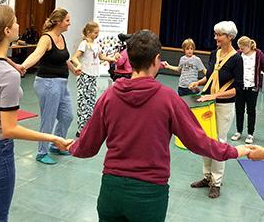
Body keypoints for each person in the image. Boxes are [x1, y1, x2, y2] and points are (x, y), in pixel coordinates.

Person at [68, 30, 249, 222]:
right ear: (156, 59)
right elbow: (198, 142)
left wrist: (70, 145)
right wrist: (237, 151)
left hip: (111, 191)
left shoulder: (109, 96)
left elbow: (87, 147)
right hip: (149, 194)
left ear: (129, 58)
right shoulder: (168, 99)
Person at [0, 5, 72, 222]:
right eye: (14, 21)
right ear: (6, 31)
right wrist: (52, 137)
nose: (18, 24)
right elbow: (9, 128)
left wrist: (11, 64)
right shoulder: (7, 75)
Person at [189, 21, 243, 198]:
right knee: (205, 140)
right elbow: (210, 75)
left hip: (224, 106)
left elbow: (238, 88)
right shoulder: (214, 54)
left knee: (219, 142)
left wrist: (214, 96)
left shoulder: (237, 59)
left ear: (230, 37)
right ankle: (207, 177)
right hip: (207, 104)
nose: (215, 38)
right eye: (215, 34)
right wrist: (198, 82)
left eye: (219, 35)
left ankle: (217, 182)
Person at [21, 8, 80, 164]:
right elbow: (36, 54)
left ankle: (56, 144)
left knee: (67, 116)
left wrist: (74, 70)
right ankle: (42, 152)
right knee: (48, 119)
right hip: (47, 83)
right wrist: (23, 67)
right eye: (67, 20)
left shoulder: (61, 37)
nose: (70, 23)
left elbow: (64, 58)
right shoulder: (46, 39)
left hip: (62, 83)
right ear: (58, 22)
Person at [71, 21, 117, 137]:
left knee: (91, 102)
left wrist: (113, 59)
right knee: (83, 102)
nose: (97, 35)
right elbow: (74, 57)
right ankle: (81, 129)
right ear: (88, 32)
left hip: (93, 76)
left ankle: (88, 127)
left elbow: (101, 57)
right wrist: (79, 64)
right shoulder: (84, 44)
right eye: (95, 33)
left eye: (98, 33)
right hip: (85, 76)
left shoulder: (96, 45)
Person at [231, 36, 264, 144]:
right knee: (239, 109)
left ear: (248, 46)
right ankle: (238, 131)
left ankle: (250, 134)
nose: (241, 50)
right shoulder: (239, 54)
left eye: (242, 48)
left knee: (251, 111)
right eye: (239, 48)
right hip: (240, 87)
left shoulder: (258, 54)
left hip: (253, 87)